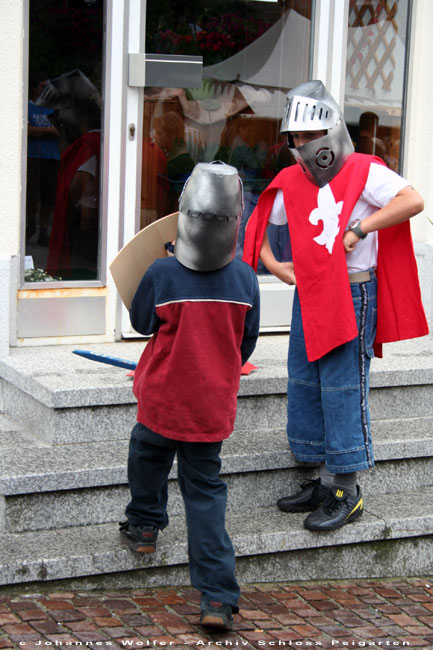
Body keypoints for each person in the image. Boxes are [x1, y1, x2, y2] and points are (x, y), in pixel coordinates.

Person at [243, 80, 428, 532]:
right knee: (307, 382)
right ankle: (325, 481)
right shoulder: (292, 180)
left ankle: (348, 489)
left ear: (327, 131)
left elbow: (413, 200)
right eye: (295, 138)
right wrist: (274, 265)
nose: (300, 146)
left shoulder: (366, 170)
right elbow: (260, 221)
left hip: (352, 292)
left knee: (344, 385)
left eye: (307, 136)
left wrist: (361, 228)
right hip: (310, 293)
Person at [119, 162, 260, 630]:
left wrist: (162, 266)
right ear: (234, 219)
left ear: (185, 214)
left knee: (147, 457)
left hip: (161, 401)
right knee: (204, 497)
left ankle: (143, 525)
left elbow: (142, 323)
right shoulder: (245, 280)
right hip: (209, 409)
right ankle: (217, 598)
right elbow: (246, 346)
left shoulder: (162, 273)